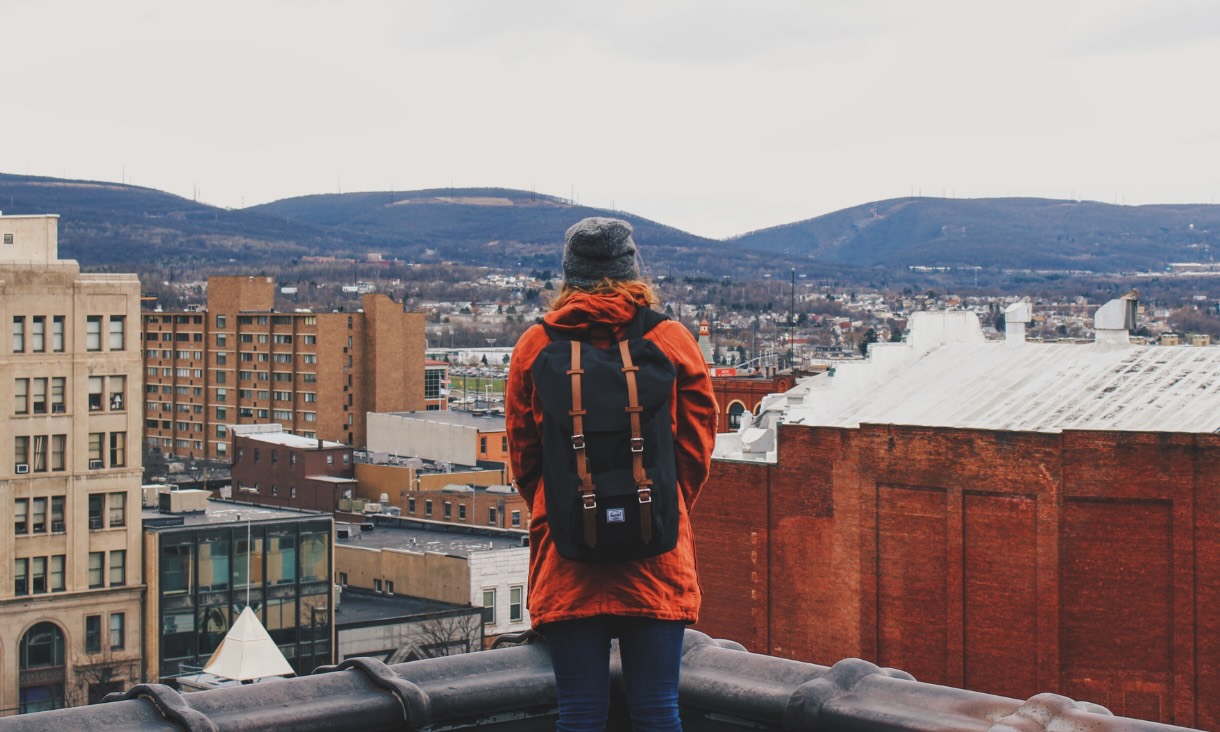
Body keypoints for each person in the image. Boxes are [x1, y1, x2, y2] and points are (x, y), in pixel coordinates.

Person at [506, 217, 718, 732]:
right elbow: (697, 445)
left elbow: (524, 457)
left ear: (569, 275)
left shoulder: (535, 346)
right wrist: (662, 503)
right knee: (657, 708)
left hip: (568, 554)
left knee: (579, 711)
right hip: (656, 551)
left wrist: (560, 505)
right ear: (631, 269)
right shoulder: (671, 338)